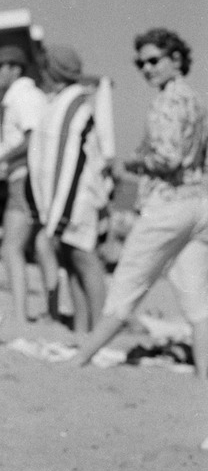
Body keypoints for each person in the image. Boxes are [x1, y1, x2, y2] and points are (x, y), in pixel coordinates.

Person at [76, 28, 208, 381]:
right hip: (198, 204)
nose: (147, 69)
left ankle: (77, 362)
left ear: (175, 59)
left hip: (167, 206)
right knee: (197, 302)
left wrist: (133, 163)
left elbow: (168, 158)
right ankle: (204, 377)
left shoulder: (166, 101)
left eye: (153, 60)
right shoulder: (194, 99)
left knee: (126, 286)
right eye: (141, 63)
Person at [25, 45, 109, 333]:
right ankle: (83, 327)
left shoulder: (74, 108)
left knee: (85, 260)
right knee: (72, 262)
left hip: (76, 201)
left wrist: (59, 214)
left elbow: (69, 164)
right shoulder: (60, 103)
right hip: (64, 201)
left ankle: (99, 328)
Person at [0, 45, 58, 324]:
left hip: (24, 179)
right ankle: (52, 311)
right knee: (40, 244)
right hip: (29, 176)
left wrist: (0, 160)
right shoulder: (31, 95)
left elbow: (32, 139)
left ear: (14, 69)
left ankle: (22, 316)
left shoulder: (21, 97)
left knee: (9, 248)